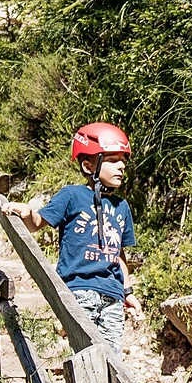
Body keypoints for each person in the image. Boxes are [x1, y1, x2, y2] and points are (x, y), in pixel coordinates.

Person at [27, 123, 139, 352]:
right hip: (79, 289)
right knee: (86, 353)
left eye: (123, 160)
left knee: (113, 357)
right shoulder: (72, 196)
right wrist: (26, 213)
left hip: (113, 295)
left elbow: (120, 255)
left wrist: (128, 292)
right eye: (111, 159)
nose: (121, 166)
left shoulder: (122, 206)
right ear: (88, 165)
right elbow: (37, 223)